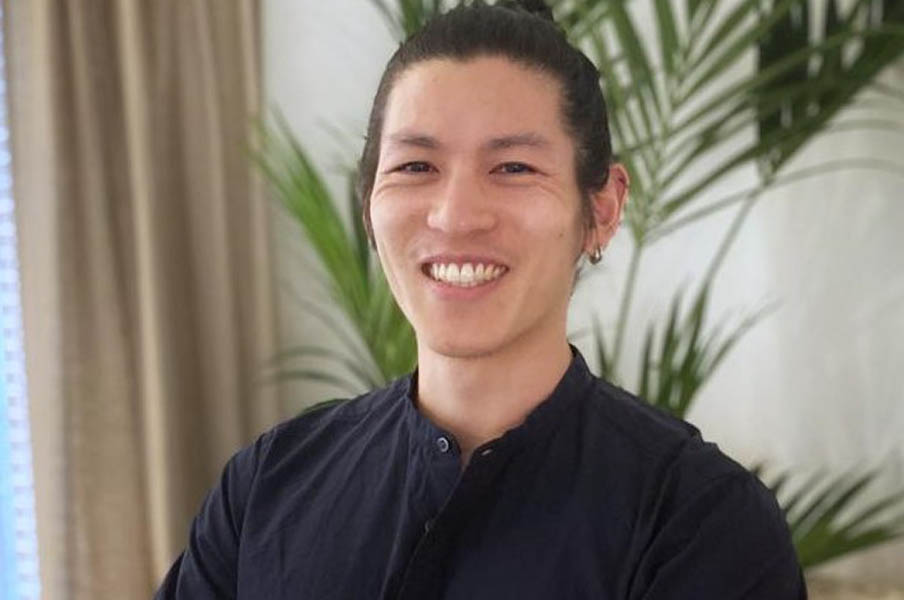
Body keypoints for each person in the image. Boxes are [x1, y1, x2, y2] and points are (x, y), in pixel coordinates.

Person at [156, 1, 806, 598]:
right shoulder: (268, 486)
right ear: (368, 205)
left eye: (514, 168)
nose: (456, 215)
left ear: (603, 209)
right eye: (416, 166)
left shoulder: (700, 521)